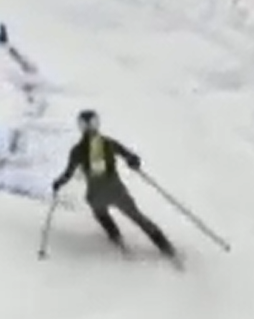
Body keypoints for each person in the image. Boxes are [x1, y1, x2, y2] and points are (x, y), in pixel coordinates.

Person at [52, 110, 178, 262]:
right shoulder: (107, 142)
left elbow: (68, 173)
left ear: (81, 127)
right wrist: (133, 161)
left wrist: (58, 183)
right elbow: (129, 155)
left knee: (100, 213)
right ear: (96, 124)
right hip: (116, 190)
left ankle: (116, 238)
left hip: (96, 194)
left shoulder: (77, 150)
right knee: (138, 217)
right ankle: (165, 247)